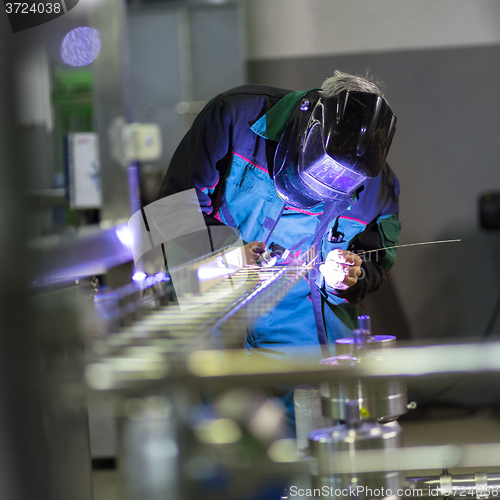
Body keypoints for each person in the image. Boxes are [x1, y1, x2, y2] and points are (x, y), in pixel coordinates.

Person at [156, 70, 400, 357]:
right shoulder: (237, 117)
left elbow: (378, 261)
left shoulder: (379, 188)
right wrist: (226, 254)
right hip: (215, 325)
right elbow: (172, 208)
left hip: (303, 341)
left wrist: (350, 277)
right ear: (309, 126)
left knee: (304, 402)